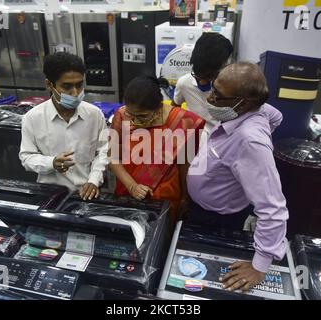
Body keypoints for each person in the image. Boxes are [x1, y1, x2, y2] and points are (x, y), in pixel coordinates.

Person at [186, 62, 288, 292]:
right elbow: (277, 117)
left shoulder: (250, 142)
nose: (210, 99)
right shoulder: (259, 110)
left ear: (245, 103)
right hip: (202, 207)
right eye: (213, 89)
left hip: (217, 218)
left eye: (218, 96)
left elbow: (273, 209)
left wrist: (259, 266)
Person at [109, 76, 205, 222]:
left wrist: (186, 197)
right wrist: (132, 186)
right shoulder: (122, 115)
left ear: (159, 107)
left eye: (142, 116)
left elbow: (185, 164)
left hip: (166, 197)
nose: (135, 121)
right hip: (127, 191)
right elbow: (113, 158)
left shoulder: (184, 121)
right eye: (131, 115)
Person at [19, 52, 108, 200]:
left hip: (86, 192)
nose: (75, 93)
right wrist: (51, 162)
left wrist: (94, 180)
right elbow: (26, 157)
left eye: (79, 85)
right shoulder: (33, 118)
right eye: (67, 86)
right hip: (49, 193)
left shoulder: (94, 115)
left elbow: (104, 151)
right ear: (49, 85)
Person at [173, 32, 233, 143]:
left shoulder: (229, 87)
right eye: (199, 75)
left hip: (220, 139)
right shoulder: (184, 83)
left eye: (210, 76)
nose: (202, 81)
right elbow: (175, 106)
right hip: (194, 137)